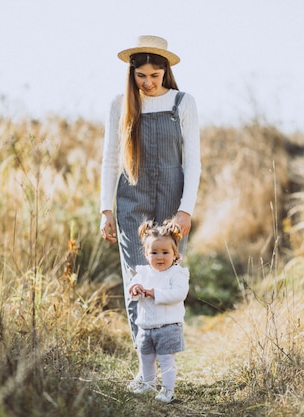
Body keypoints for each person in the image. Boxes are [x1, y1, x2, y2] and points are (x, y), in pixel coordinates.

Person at [99, 35, 201, 390]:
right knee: (137, 282)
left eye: (154, 75)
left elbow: (194, 162)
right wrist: (106, 209)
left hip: (173, 199)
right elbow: (110, 159)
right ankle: (145, 371)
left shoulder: (183, 103)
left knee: (167, 279)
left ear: (165, 72)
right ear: (132, 74)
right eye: (140, 75)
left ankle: (166, 363)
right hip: (131, 201)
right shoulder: (120, 105)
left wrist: (186, 211)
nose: (147, 82)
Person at [128, 218, 189, 403]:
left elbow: (179, 294)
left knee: (166, 360)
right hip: (146, 326)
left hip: (167, 326)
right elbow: (132, 290)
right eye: (154, 252)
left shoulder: (176, 273)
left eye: (164, 252)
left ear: (174, 253)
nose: (159, 257)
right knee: (146, 359)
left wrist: (157, 294)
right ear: (146, 254)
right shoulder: (143, 273)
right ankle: (148, 384)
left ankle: (168, 390)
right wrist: (135, 289)